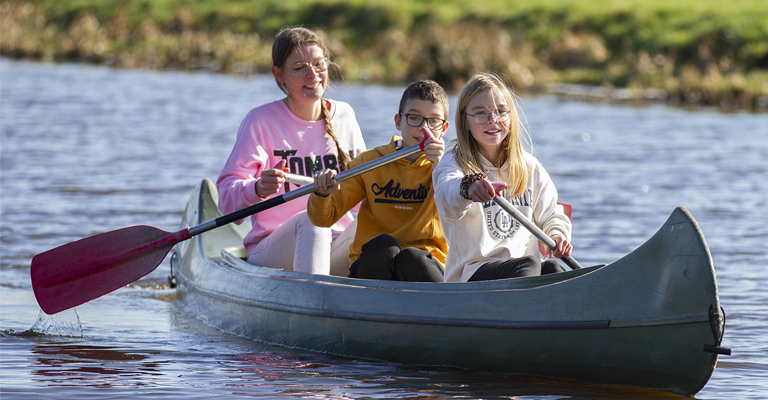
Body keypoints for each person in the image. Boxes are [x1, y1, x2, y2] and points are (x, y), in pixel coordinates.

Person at [216, 27, 366, 275]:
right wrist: (257, 188)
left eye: (319, 64)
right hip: (274, 250)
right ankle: (313, 302)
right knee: (313, 218)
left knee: (380, 221)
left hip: (335, 244)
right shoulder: (260, 121)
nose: (312, 75)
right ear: (279, 75)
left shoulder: (346, 115)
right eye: (299, 68)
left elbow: (363, 192)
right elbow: (226, 201)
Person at [433, 72, 572, 283]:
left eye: (500, 111)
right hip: (470, 276)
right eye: (480, 113)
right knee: (530, 263)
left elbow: (552, 214)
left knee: (552, 266)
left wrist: (557, 234)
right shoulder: (453, 164)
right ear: (464, 120)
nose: (492, 120)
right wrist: (468, 188)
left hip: (522, 271)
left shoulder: (529, 166)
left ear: (510, 116)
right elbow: (447, 195)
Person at [307, 80, 449, 281]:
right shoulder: (370, 162)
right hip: (374, 264)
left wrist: (440, 169)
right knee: (383, 246)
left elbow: (466, 220)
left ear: (444, 128)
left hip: (425, 264)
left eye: (434, 121)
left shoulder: (450, 167)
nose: (423, 129)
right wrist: (322, 193)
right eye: (414, 118)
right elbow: (323, 219)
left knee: (412, 257)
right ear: (398, 121)